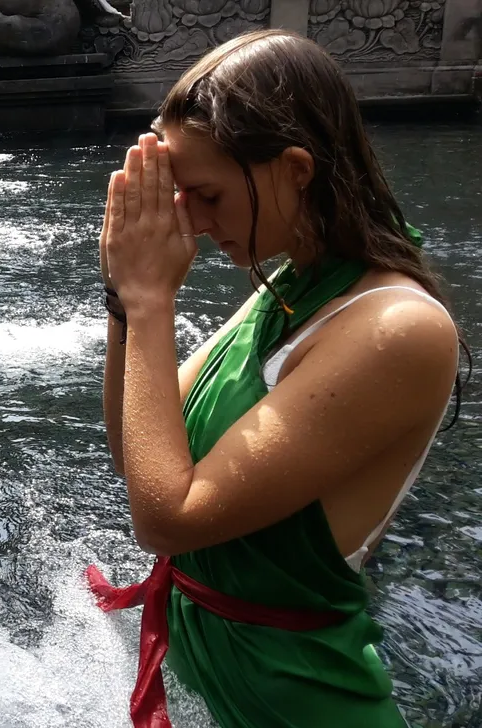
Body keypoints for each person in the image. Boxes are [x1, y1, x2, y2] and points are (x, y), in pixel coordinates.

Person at [89, 29, 467, 728]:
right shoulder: (284, 290)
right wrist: (122, 298)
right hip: (217, 677)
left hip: (301, 704)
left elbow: (166, 520)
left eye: (205, 194)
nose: (194, 225)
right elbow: (136, 456)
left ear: (293, 169)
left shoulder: (396, 329)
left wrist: (150, 303)